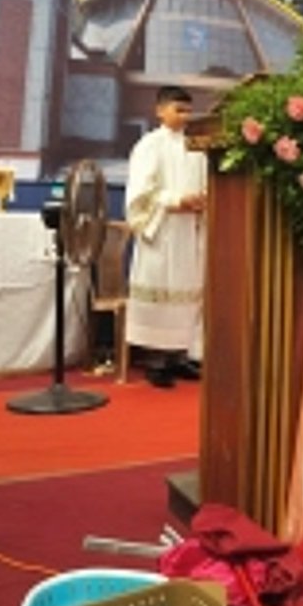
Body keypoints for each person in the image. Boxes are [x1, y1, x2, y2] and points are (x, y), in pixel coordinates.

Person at [125, 85, 208, 388]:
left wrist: (202, 199)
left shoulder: (195, 147)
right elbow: (140, 192)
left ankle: (180, 356)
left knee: (187, 292)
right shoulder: (149, 145)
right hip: (161, 230)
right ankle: (156, 361)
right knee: (161, 293)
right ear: (160, 111)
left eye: (188, 111)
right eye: (178, 110)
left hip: (188, 230)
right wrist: (176, 200)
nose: (185, 116)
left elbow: (204, 181)